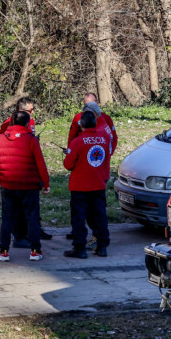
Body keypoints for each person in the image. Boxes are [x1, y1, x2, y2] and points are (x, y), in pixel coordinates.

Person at [0, 110, 50, 262]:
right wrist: (45, 183)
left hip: (8, 185)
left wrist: (1, 180)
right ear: (26, 123)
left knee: (7, 219)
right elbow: (40, 164)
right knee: (32, 218)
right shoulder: (31, 140)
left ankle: (3, 250)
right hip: (29, 186)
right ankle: (35, 250)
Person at [63, 109, 111, 259]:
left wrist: (69, 153)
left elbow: (68, 164)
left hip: (80, 186)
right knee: (99, 216)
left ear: (81, 125)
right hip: (98, 183)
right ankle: (102, 246)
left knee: (78, 218)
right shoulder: (104, 138)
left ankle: (79, 248)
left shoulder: (77, 142)